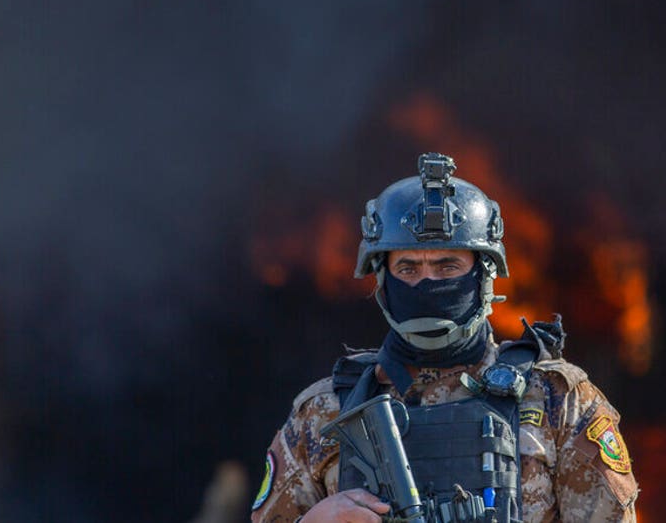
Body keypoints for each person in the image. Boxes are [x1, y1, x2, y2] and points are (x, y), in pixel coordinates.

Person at [251, 153, 638, 523]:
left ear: (482, 276)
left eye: (447, 265)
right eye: (408, 267)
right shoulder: (323, 412)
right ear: (383, 281)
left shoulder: (558, 399)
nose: (427, 283)